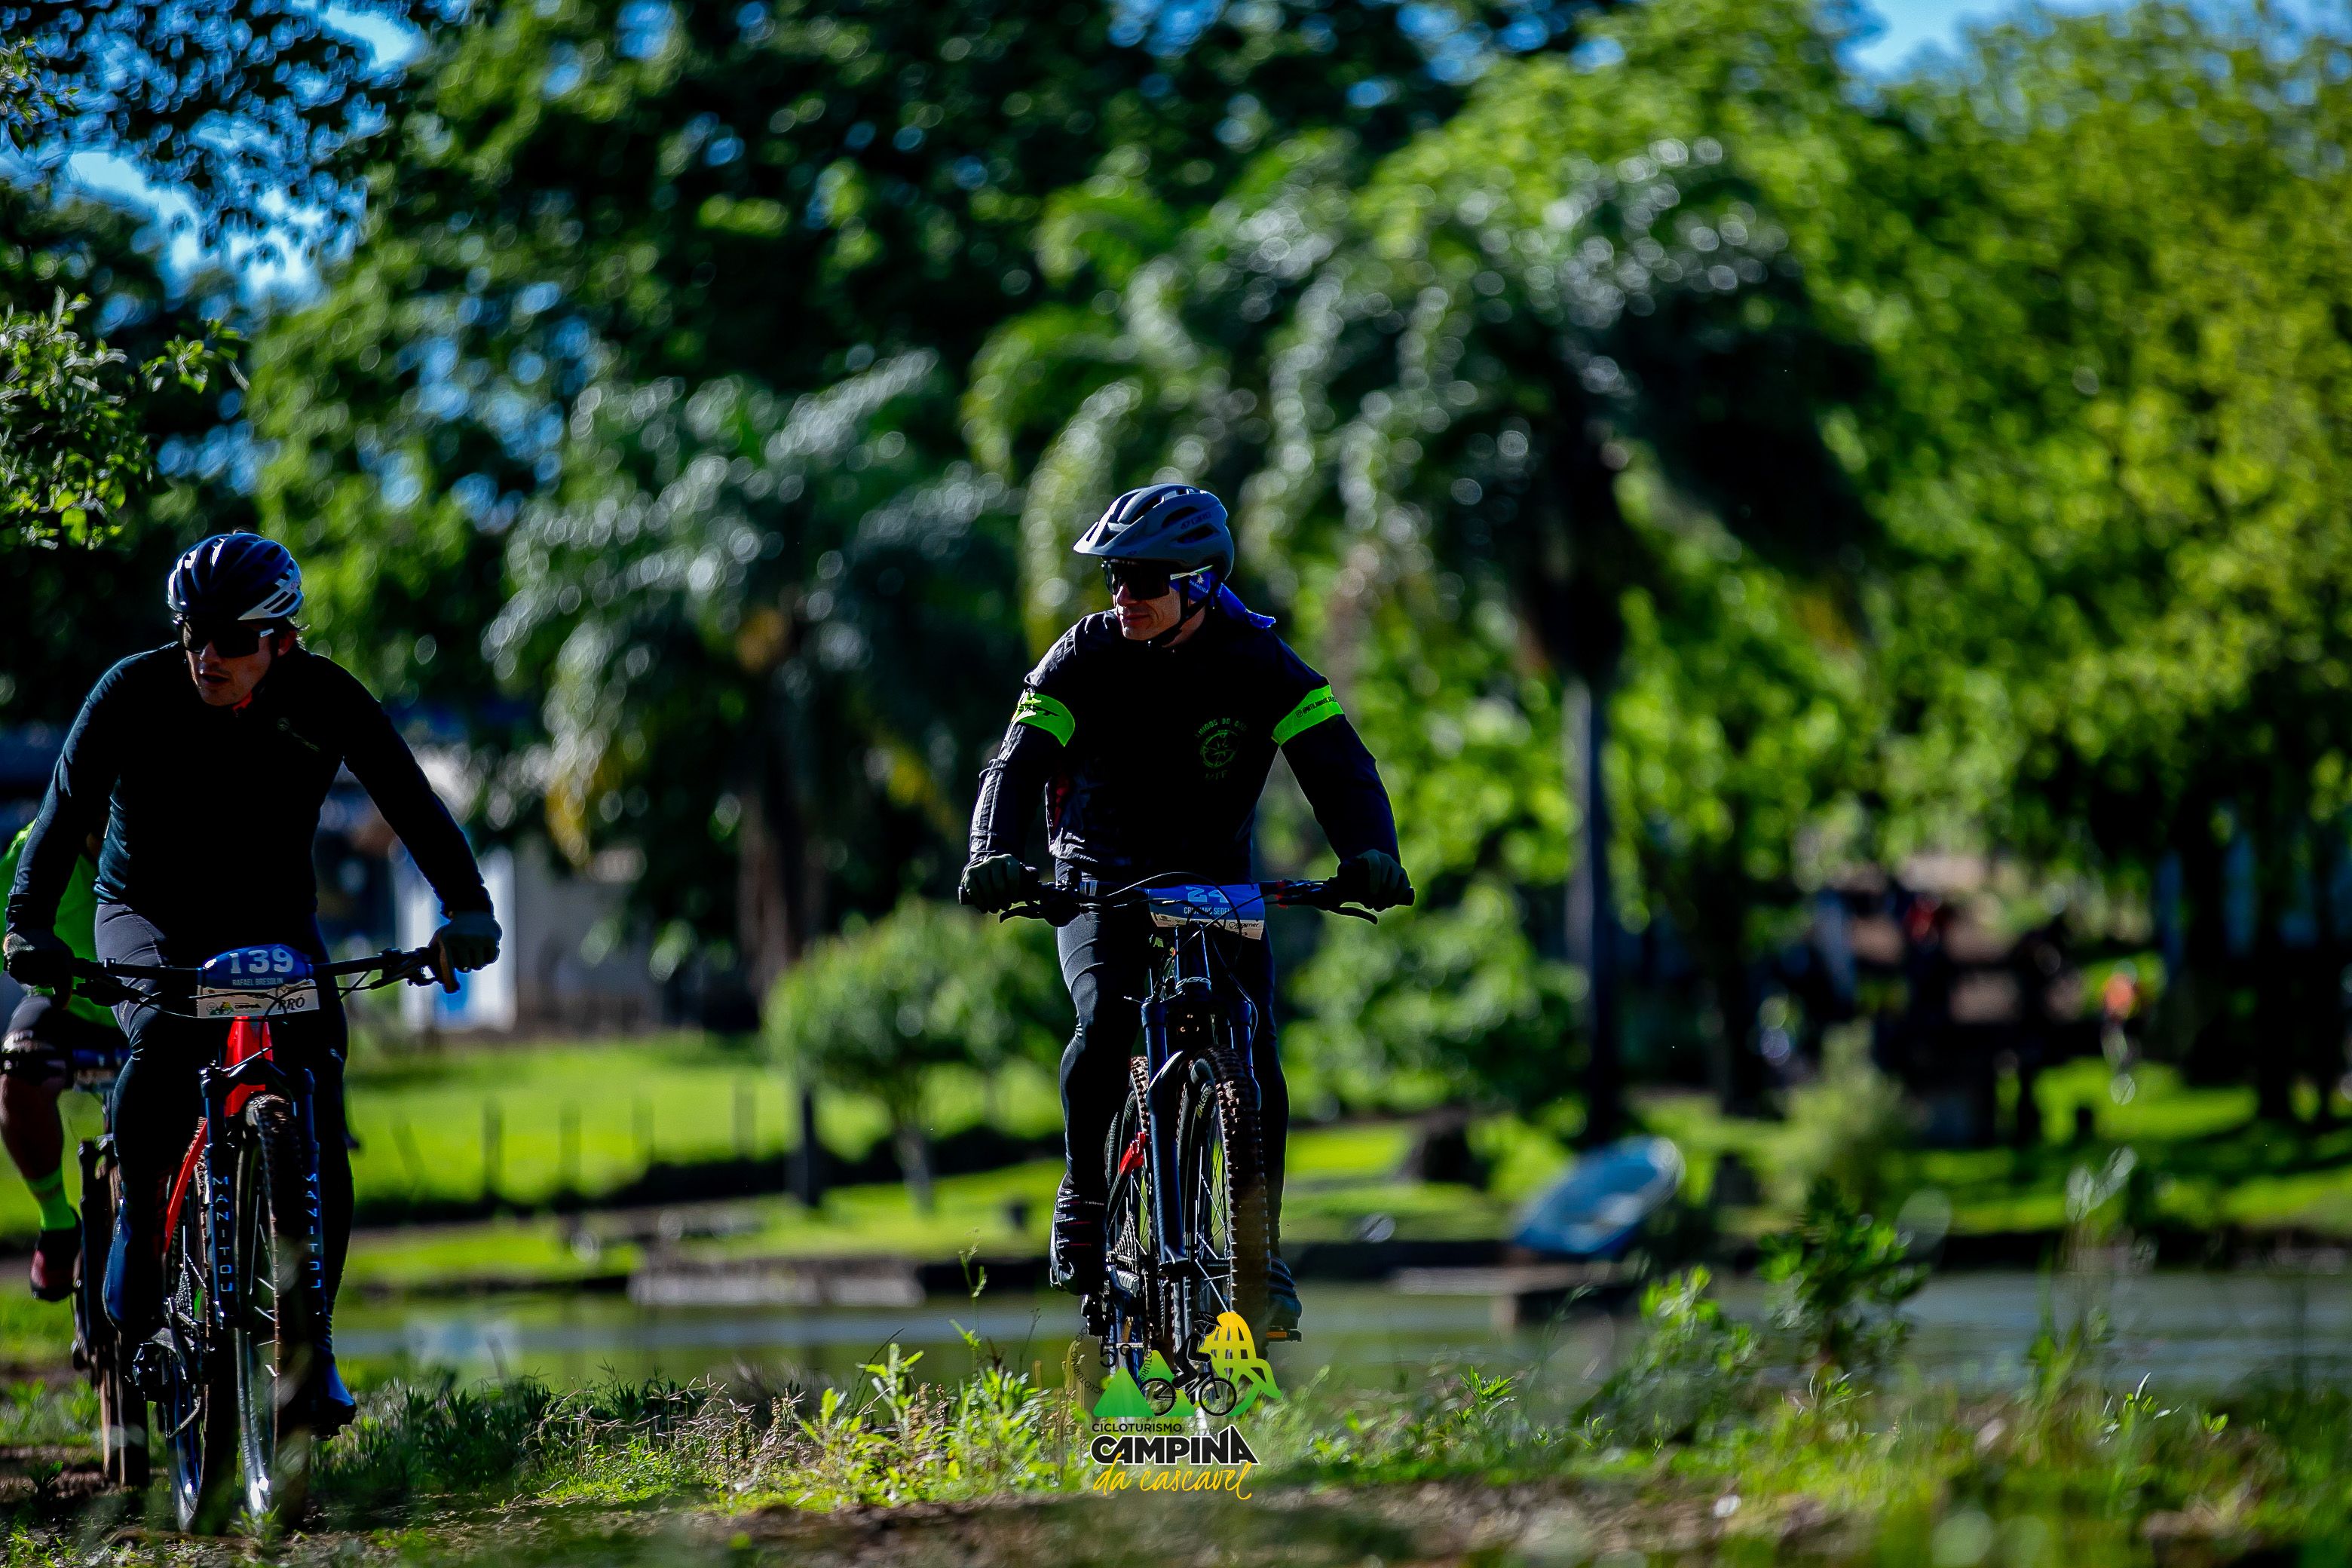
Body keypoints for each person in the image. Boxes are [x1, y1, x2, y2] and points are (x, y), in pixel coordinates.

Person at [1, 532, 502, 1429]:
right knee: (165, 1039)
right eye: (193, 632)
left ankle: (314, 1347)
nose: (207, 655)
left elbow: (410, 800)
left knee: (317, 1089)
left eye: (231, 639)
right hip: (147, 912)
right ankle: (143, 1227)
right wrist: (28, 923)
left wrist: (467, 906)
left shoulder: (326, 696)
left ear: (282, 639)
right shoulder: (130, 691)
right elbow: (63, 809)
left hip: (273, 919)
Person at [957, 483, 1412, 1340]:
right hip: (1097, 877)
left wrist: (1370, 852)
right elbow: (1015, 765)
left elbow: (1340, 764)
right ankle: (1086, 1192)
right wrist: (992, 853)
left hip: (1215, 883)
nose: (1121, 595)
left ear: (1200, 583)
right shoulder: (1083, 655)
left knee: (1256, 1048)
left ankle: (1257, 1248)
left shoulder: (1258, 659)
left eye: (1142, 579)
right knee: (1106, 1020)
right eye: (1113, 577)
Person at [0, 825, 123, 1300]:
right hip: (69, 1005)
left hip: (158, 1008)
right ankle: (57, 1223)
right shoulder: (37, 846)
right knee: (20, 1064)